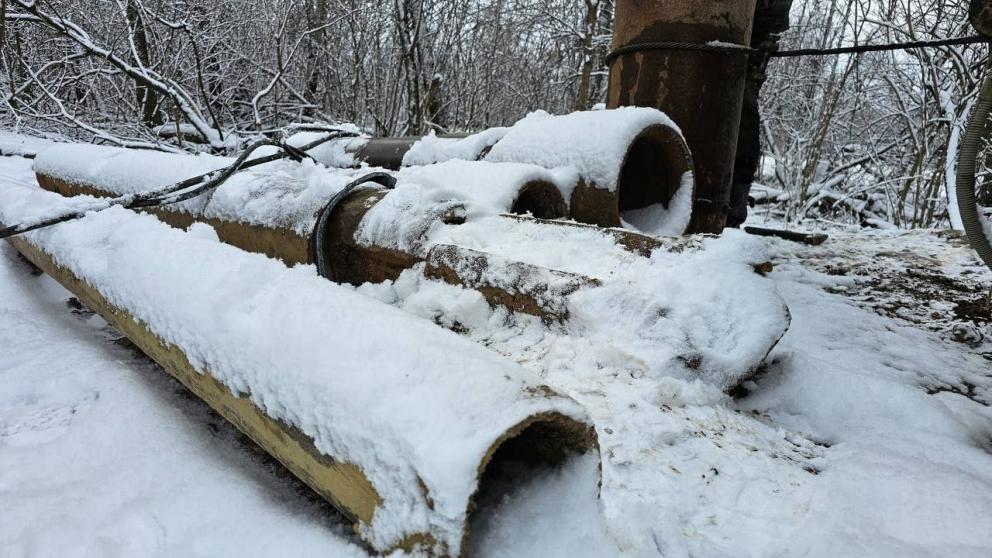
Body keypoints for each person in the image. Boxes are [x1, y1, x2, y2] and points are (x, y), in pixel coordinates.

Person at [726, 0, 794, 228]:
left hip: (749, 32)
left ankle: (731, 214)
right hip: (735, 27)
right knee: (742, 115)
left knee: (742, 116)